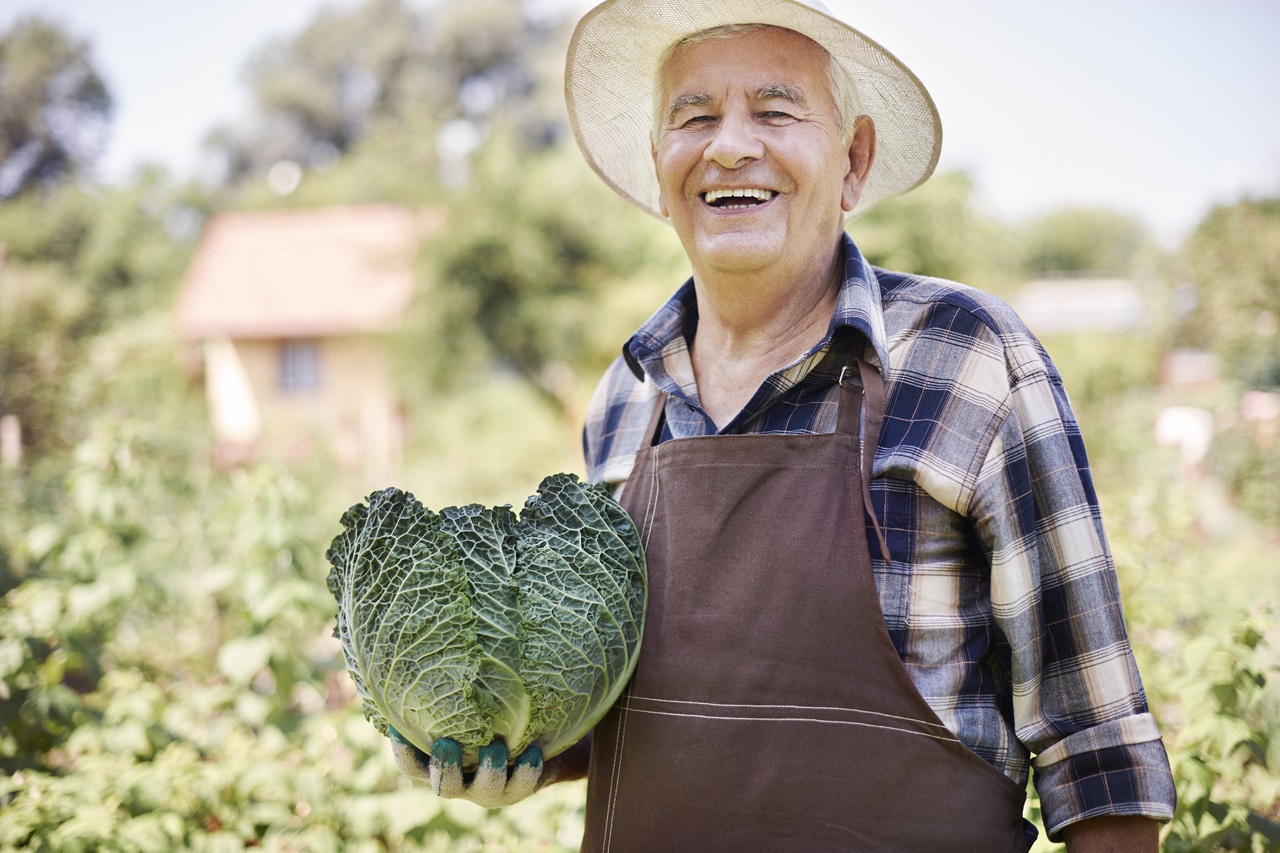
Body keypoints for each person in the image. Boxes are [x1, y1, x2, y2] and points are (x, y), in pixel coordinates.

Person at [390, 0, 1178, 849]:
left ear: (853, 160)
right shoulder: (625, 398)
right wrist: (525, 744)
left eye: (775, 111)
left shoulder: (969, 360)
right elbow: (658, 708)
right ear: (660, 169)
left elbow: (1099, 754)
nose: (729, 145)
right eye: (693, 117)